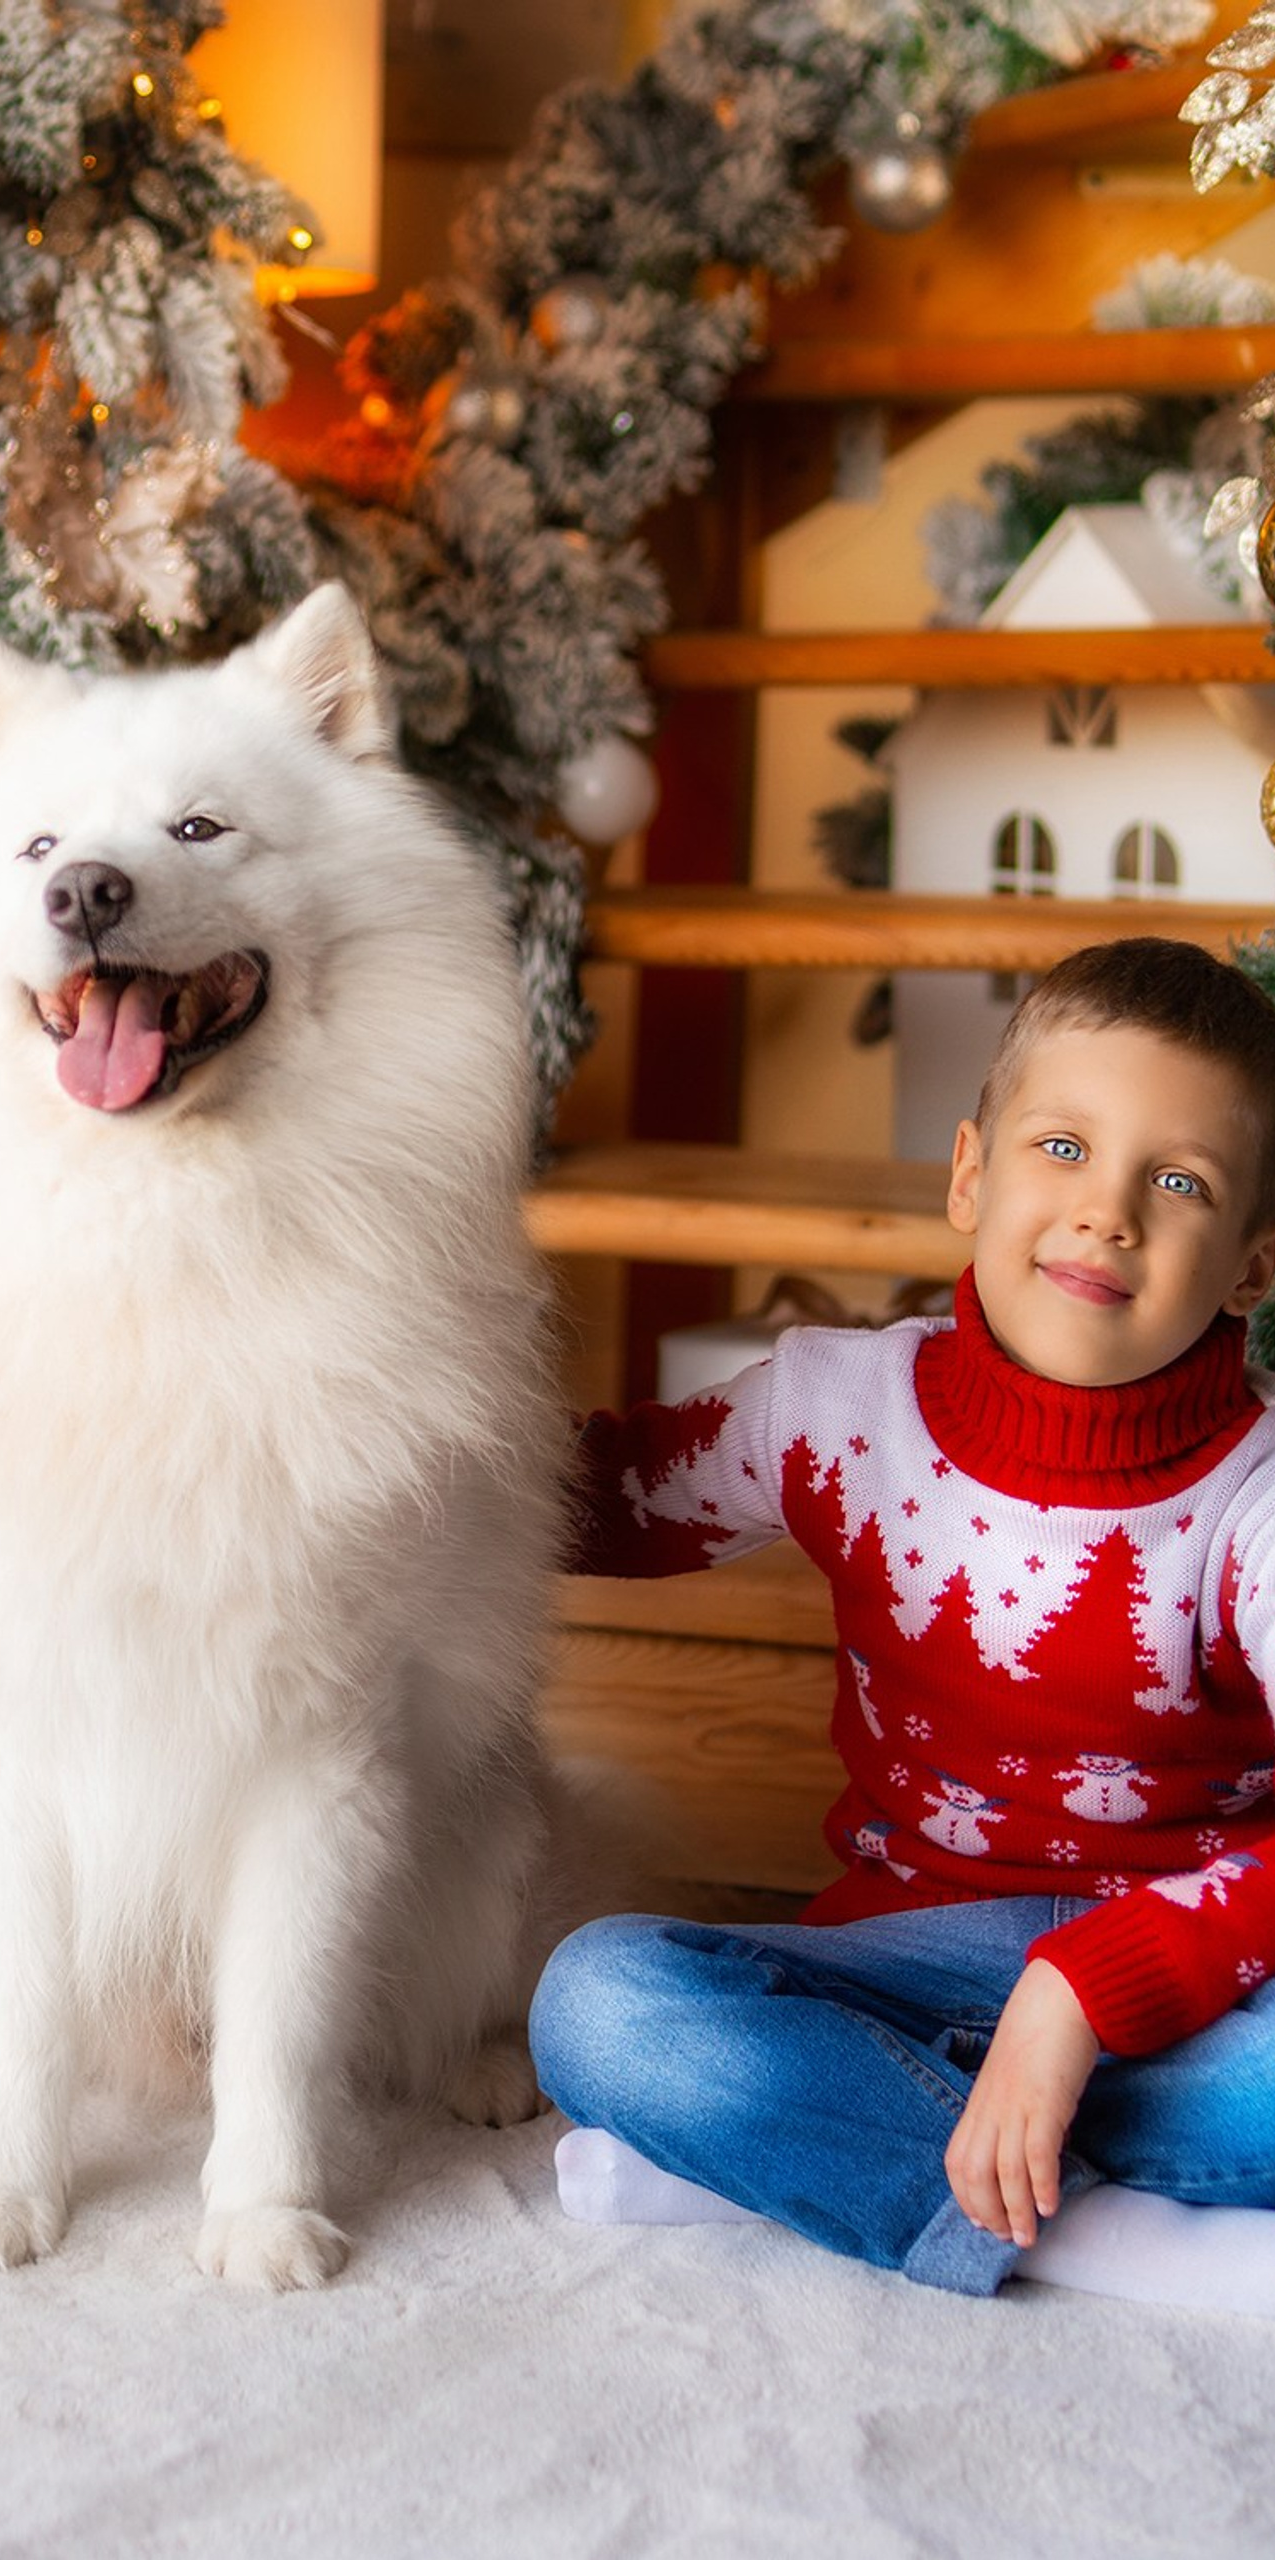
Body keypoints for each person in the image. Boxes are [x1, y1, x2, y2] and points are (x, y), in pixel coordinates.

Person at [531, 936, 1275, 2315]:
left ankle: (793, 2156)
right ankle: (1090, 2234)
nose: (1107, 1212)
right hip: (894, 1961)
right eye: (1063, 1148)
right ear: (970, 1178)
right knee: (601, 2007)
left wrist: (1081, 1995)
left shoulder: (1255, 1507)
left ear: (1251, 1265)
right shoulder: (837, 1409)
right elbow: (589, 1499)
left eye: (1180, 1183)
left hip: (1180, 1993)